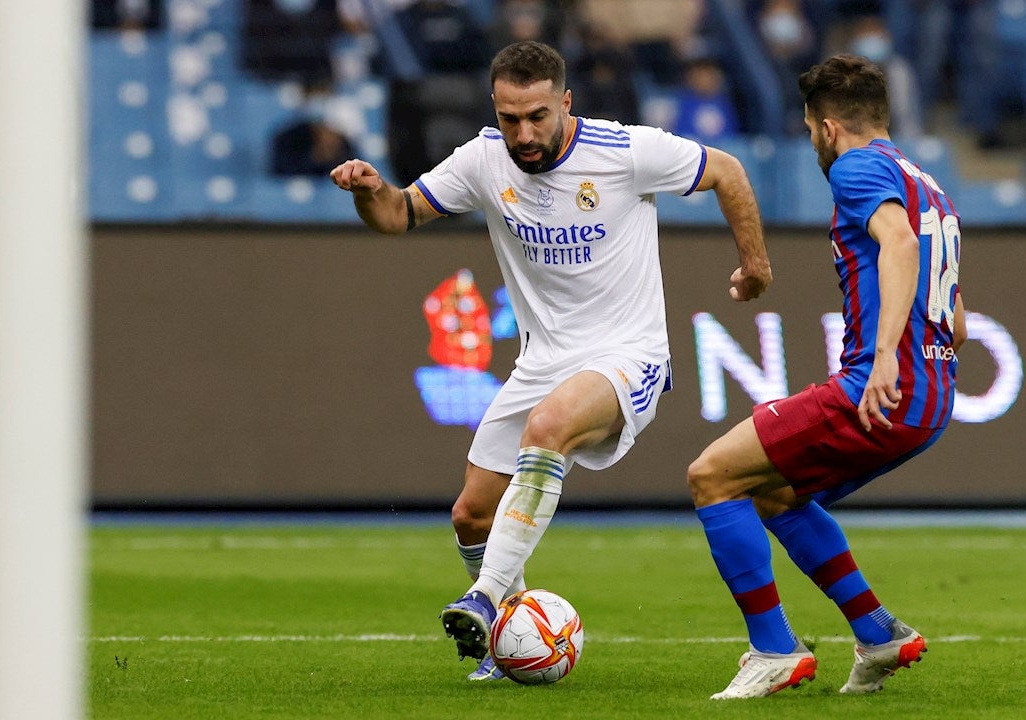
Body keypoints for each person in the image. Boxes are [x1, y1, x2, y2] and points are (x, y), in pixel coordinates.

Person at [330, 40, 772, 681]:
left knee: (548, 429)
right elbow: (398, 214)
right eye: (510, 118)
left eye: (537, 116)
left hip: (628, 354)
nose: (524, 133)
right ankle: (506, 642)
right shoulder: (483, 160)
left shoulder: (624, 152)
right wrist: (369, 191)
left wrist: (755, 264)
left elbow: (727, 170)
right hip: (542, 363)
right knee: (471, 515)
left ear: (566, 102)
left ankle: (485, 598)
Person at [686, 54, 966, 700]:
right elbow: (955, 317)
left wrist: (887, 355)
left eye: (811, 128)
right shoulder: (929, 185)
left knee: (712, 475)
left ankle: (774, 650)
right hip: (932, 397)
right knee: (774, 492)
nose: (813, 139)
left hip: (882, 386)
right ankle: (878, 632)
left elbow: (899, 245)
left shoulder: (856, 167)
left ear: (829, 126)